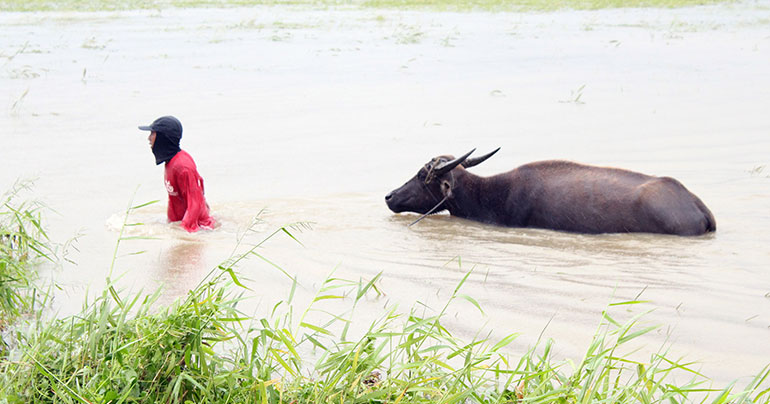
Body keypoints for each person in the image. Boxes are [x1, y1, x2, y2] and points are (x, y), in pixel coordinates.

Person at [138, 116, 215, 233]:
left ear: (162, 138)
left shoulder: (182, 167)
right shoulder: (170, 162)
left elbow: (195, 203)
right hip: (178, 225)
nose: (149, 139)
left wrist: (185, 235)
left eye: (152, 134)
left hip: (198, 230)